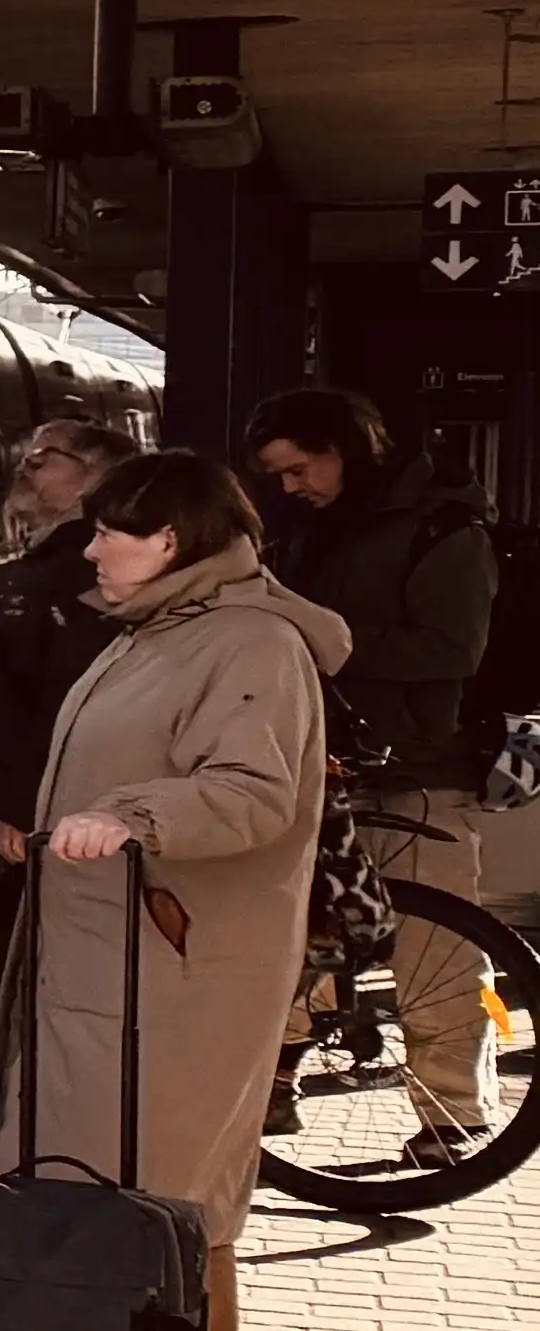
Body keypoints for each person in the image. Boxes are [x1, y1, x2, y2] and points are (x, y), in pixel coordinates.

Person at [17, 445, 348, 1331]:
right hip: (115, 955)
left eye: (108, 533)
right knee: (101, 1178)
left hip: (178, 968)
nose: (91, 552)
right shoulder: (160, 627)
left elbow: (250, 790)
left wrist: (132, 817)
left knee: (171, 1189)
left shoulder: (249, 645)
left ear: (168, 541)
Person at [244, 385, 500, 1168]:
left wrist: (321, 639)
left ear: (345, 447)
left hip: (421, 769)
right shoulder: (308, 528)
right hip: (325, 764)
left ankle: (453, 1118)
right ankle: (272, 1082)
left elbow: (453, 649)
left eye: (299, 469)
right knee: (297, 936)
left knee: (437, 952)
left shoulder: (443, 526)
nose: (291, 487)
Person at [0, 414, 144, 869]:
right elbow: (6, 699)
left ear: (94, 479)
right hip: (34, 811)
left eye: (45, 457)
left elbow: (64, 698)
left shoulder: (87, 572)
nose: (25, 466)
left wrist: (23, 806)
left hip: (48, 819)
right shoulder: (49, 563)